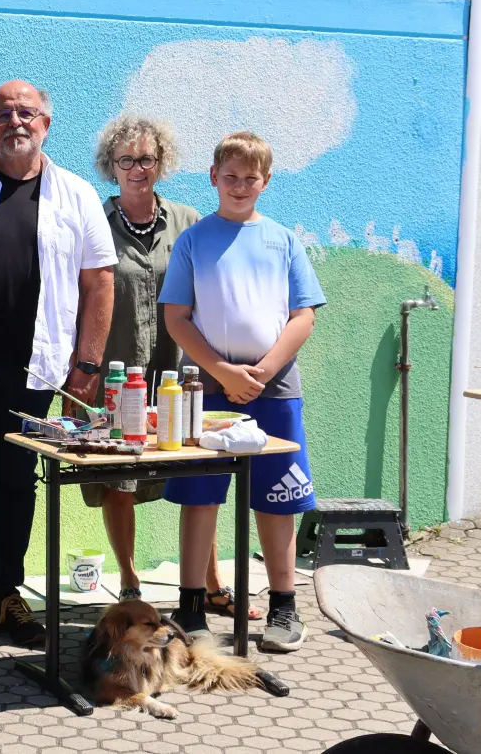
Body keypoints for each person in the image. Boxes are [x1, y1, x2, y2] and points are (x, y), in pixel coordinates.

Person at [0, 81, 117, 648]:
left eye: (27, 113)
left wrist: (86, 366)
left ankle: (3, 597)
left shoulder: (78, 194)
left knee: (16, 485)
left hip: (35, 373)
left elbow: (99, 281)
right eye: (4, 114)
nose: (16, 121)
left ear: (46, 124)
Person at [85, 116, 260, 617]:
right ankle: (130, 582)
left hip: (179, 373)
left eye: (146, 159)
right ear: (110, 167)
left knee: (197, 475)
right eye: (126, 160)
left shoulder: (188, 222)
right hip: (117, 372)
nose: (137, 169)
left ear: (161, 162)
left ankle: (211, 585)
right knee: (120, 477)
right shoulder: (94, 222)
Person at [161, 131, 325, 652]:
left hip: (273, 390)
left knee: (277, 498)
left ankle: (283, 606)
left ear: (265, 182)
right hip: (205, 388)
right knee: (201, 494)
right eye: (229, 177)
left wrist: (261, 370)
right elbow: (177, 319)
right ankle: (191, 608)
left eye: (249, 179)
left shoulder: (283, 240)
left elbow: (303, 316)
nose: (238, 186)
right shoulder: (194, 240)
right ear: (213, 177)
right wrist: (223, 371)